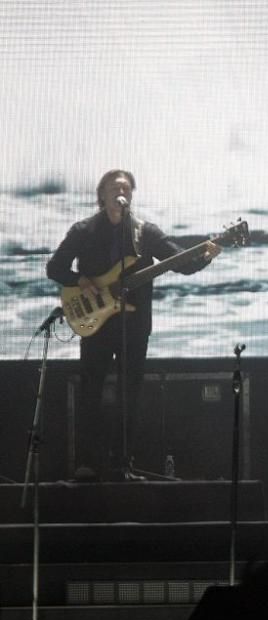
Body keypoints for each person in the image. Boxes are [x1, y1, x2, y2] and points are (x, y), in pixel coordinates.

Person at [46, 169, 221, 481]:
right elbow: (54, 267)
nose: (121, 191)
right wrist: (79, 280)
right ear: (102, 195)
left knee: (130, 395)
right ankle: (87, 464)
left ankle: (122, 463)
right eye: (115, 187)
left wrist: (206, 255)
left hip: (134, 326)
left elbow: (179, 261)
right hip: (96, 324)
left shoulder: (145, 232)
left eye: (126, 187)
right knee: (91, 393)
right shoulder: (83, 230)